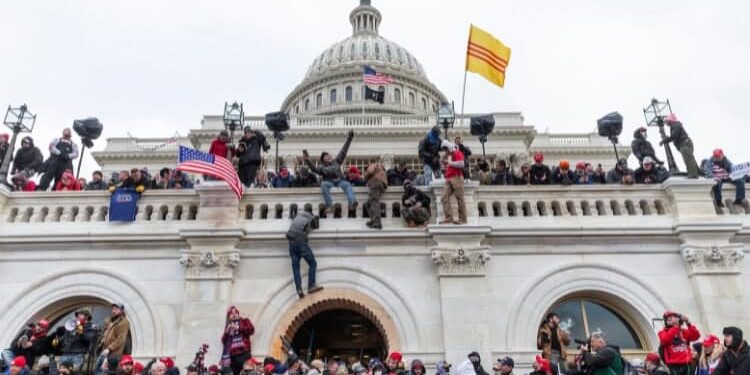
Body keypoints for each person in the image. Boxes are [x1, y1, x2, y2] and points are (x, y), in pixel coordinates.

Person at [303, 130, 357, 214]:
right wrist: (308, 160)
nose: (328, 157)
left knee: (347, 184)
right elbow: (314, 169)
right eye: (325, 156)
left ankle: (352, 202)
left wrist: (349, 139)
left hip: (340, 181)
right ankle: (329, 205)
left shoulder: (337, 161)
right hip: (329, 182)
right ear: (323, 160)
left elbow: (343, 151)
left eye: (328, 155)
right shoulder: (322, 167)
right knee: (324, 184)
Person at [286, 210, 324, 298]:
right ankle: (311, 286)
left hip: (291, 242)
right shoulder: (312, 218)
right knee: (313, 263)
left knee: (296, 267)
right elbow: (316, 226)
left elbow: (291, 216)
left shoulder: (297, 215)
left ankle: (299, 289)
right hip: (301, 242)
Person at [658, 311, 700, 375]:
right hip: (674, 365)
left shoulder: (683, 332)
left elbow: (696, 336)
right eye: (669, 319)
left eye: (674, 318)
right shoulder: (662, 332)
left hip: (687, 364)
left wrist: (688, 323)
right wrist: (675, 327)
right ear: (666, 322)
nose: (672, 320)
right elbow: (665, 340)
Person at [660, 114, 699, 179]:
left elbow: (674, 135)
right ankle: (695, 172)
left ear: (670, 120)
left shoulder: (675, 125)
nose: (666, 123)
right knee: (689, 158)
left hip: (684, 143)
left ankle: (693, 174)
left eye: (666, 121)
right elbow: (674, 136)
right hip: (684, 143)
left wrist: (665, 140)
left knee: (688, 159)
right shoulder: (675, 125)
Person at [220, 306, 255, 375]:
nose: (234, 314)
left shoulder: (245, 321)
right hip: (232, 356)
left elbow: (251, 330)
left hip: (244, 353)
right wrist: (227, 332)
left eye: (236, 312)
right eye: (232, 313)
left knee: (248, 372)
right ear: (229, 316)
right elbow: (224, 342)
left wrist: (238, 327)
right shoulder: (228, 326)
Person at [439, 141, 466, 225]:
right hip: (449, 178)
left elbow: (462, 164)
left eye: (446, 149)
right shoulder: (449, 156)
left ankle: (463, 219)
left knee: (460, 198)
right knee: (444, 197)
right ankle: (449, 218)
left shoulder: (457, 153)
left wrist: (450, 163)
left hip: (456, 177)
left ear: (449, 148)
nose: (445, 152)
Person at [364, 162, 387, 229]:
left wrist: (365, 176)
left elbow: (370, 171)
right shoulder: (380, 168)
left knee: (374, 201)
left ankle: (377, 222)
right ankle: (373, 219)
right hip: (381, 185)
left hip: (376, 183)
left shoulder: (374, 165)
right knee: (368, 204)